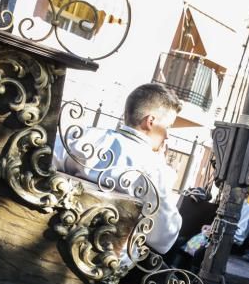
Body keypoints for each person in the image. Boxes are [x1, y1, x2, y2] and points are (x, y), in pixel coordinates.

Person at [53, 83, 182, 255]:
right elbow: (163, 240)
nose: (167, 135)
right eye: (169, 127)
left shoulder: (82, 137)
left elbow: (42, 166)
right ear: (150, 121)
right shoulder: (155, 169)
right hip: (104, 264)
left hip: (53, 237)